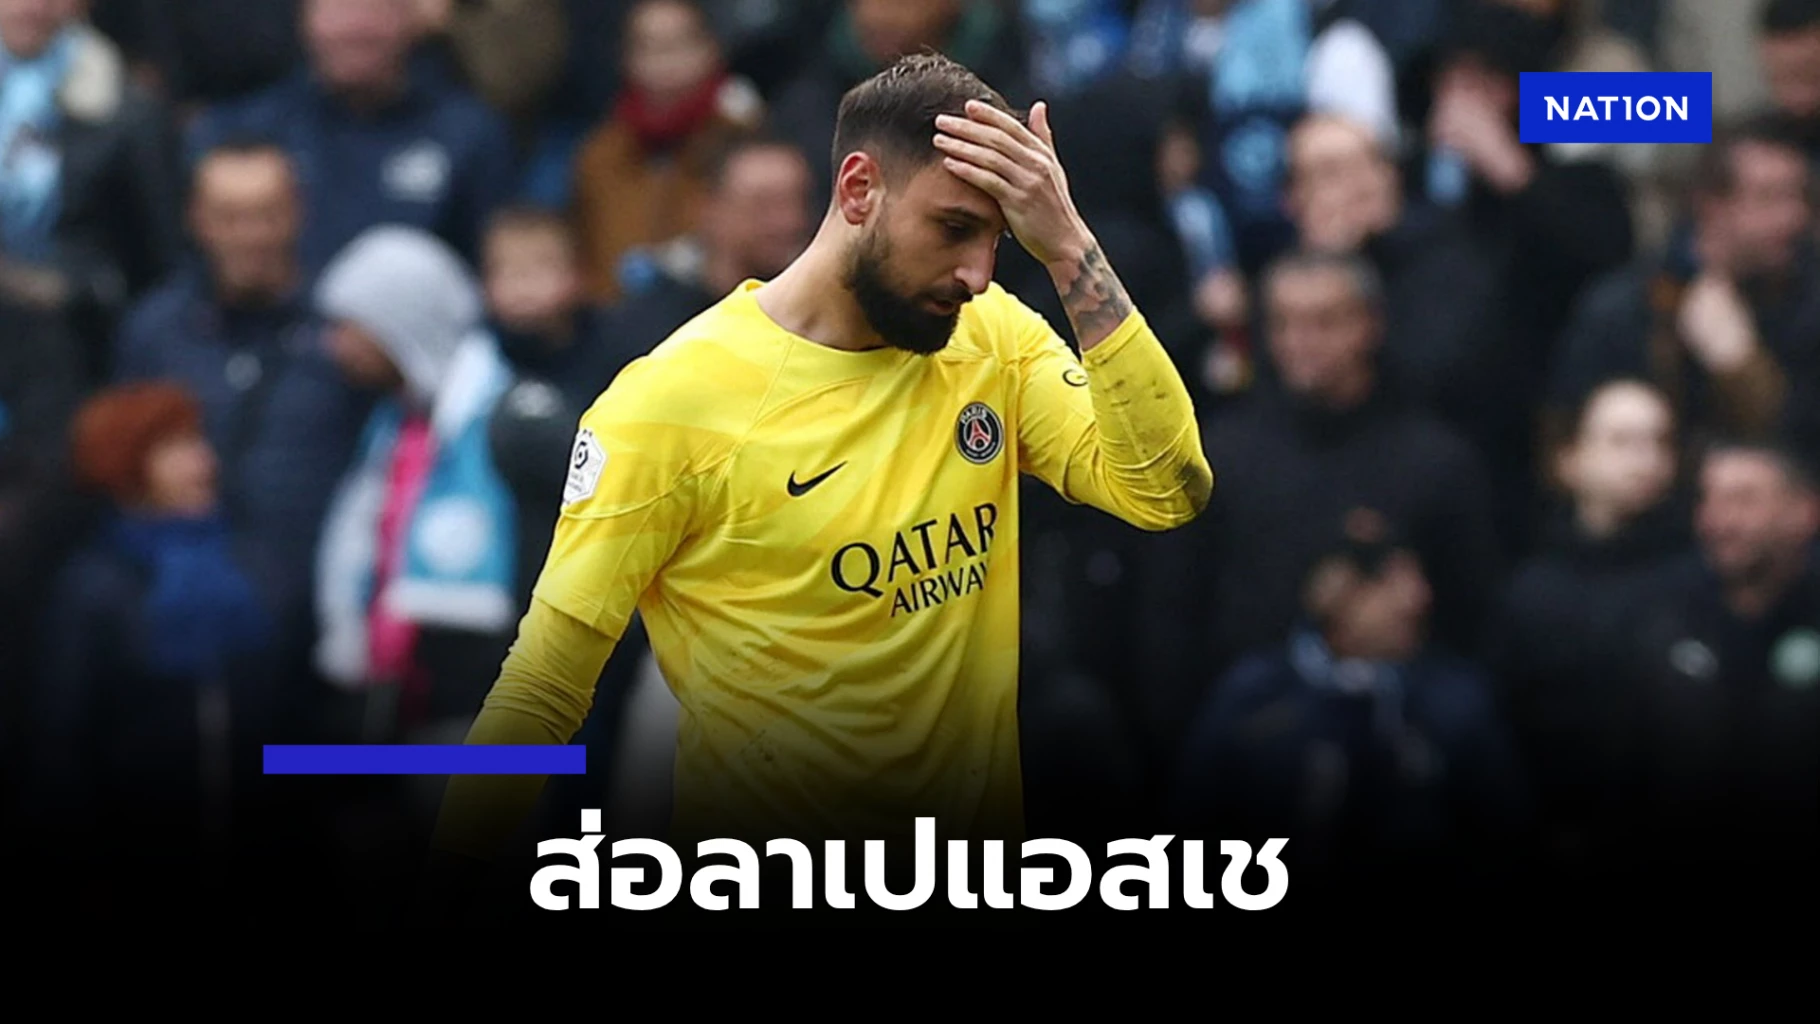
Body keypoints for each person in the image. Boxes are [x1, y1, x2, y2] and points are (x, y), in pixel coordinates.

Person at [426, 52, 1212, 912]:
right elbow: (543, 689)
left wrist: (1067, 248)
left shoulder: (990, 338)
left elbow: (1163, 490)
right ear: (859, 189)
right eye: (953, 228)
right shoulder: (672, 404)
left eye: (1000, 237)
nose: (979, 273)